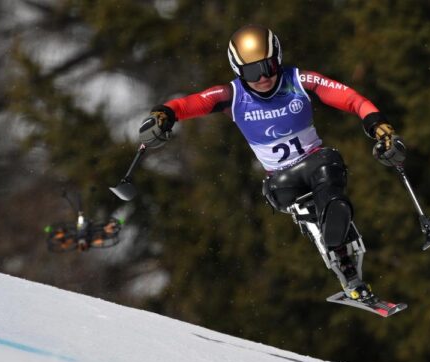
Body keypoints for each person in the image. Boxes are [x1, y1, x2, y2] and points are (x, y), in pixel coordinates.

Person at [139, 24, 406, 302]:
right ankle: (332, 225)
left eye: (269, 66)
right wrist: (162, 116)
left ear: (278, 58)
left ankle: (339, 239)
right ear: (238, 71)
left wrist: (379, 127)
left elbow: (351, 99)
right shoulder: (232, 95)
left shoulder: (300, 80)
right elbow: (185, 105)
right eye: (253, 72)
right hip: (280, 182)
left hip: (316, 163)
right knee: (319, 176)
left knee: (328, 165)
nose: (264, 77)